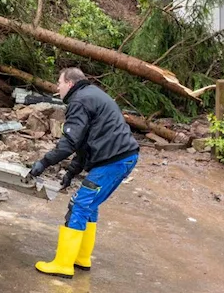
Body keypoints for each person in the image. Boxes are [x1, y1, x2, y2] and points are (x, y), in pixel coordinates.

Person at [28, 67, 140, 278]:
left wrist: (43, 163)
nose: (57, 88)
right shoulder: (91, 95)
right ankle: (81, 257)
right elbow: (83, 143)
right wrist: (71, 172)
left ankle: (63, 264)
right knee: (90, 205)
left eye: (59, 83)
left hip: (113, 161)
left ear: (70, 83)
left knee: (79, 205)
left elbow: (69, 143)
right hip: (121, 157)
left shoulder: (79, 101)